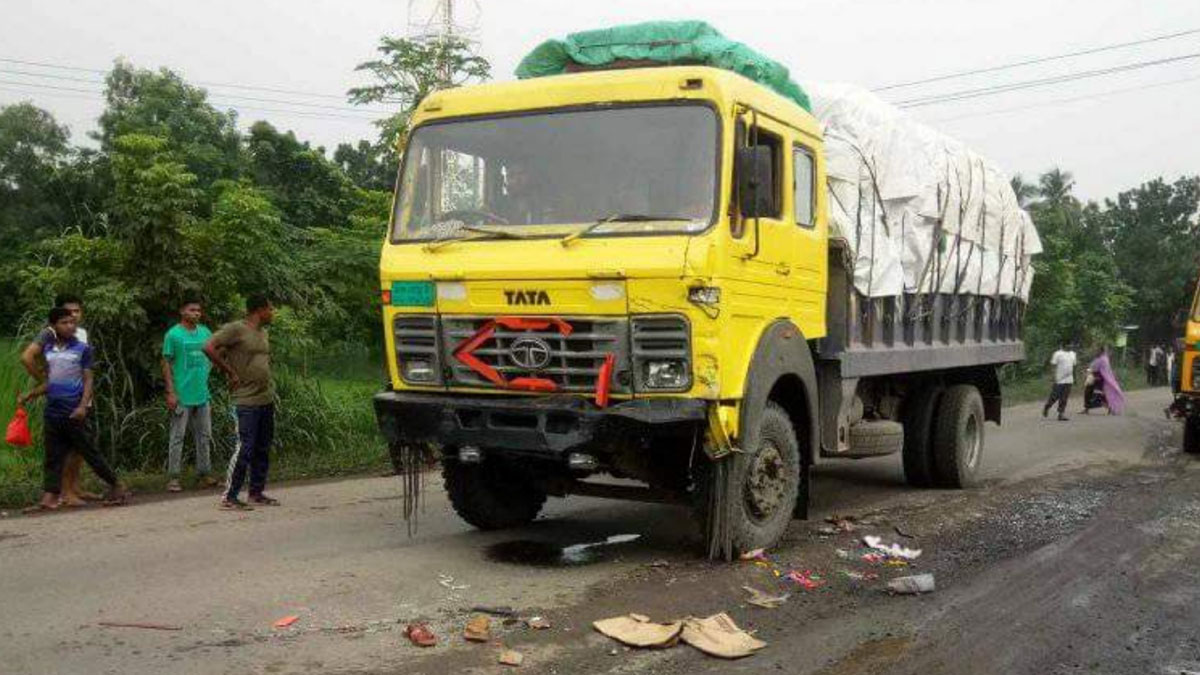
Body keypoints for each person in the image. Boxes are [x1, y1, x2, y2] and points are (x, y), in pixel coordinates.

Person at [18, 307, 128, 512]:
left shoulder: (82, 349)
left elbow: (88, 380)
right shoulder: (49, 350)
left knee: (89, 452)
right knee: (53, 457)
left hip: (73, 411)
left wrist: (82, 406)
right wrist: (29, 395)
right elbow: (50, 382)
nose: (70, 326)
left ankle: (117, 486)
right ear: (53, 327)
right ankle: (49, 498)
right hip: (53, 411)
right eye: (64, 322)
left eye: (72, 322)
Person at [19, 293, 96, 506]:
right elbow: (27, 357)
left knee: (79, 446)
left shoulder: (81, 333)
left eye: (77, 312)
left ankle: (75, 488)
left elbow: (85, 368)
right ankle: (64, 492)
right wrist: (45, 381)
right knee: (65, 447)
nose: (73, 317)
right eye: (68, 313)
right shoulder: (50, 334)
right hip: (63, 399)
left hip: (81, 394)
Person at [204, 294, 278, 510]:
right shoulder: (236, 329)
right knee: (244, 447)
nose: (272, 313)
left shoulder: (262, 332)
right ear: (259, 310)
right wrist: (229, 372)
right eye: (270, 309)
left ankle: (256, 492)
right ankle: (230, 496)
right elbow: (209, 347)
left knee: (262, 447)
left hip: (265, 397)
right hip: (245, 400)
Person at [162, 297, 216, 492]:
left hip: (202, 394)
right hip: (181, 395)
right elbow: (166, 362)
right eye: (192, 310)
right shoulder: (173, 335)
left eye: (199, 310)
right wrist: (170, 391)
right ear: (182, 311)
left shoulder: (205, 332)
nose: (196, 313)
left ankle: (204, 474)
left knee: (204, 436)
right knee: (177, 436)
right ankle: (174, 478)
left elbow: (213, 354)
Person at [1087, 346, 1127, 416]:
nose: (1095, 352)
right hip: (1101, 379)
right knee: (1100, 395)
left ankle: (1110, 409)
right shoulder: (1103, 358)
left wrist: (1090, 370)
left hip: (1101, 380)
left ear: (1101, 351)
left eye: (1097, 350)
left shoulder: (1102, 359)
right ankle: (1110, 409)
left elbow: (1094, 368)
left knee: (1100, 395)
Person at [1043, 341, 1077, 421]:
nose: (1070, 346)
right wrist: (1053, 377)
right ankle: (1047, 407)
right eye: (1068, 344)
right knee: (1055, 396)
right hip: (1059, 379)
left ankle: (1061, 414)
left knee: (1064, 397)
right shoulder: (1057, 354)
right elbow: (1053, 366)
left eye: (1071, 344)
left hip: (1069, 379)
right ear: (1063, 345)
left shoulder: (1073, 354)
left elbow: (1074, 366)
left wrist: (1075, 378)